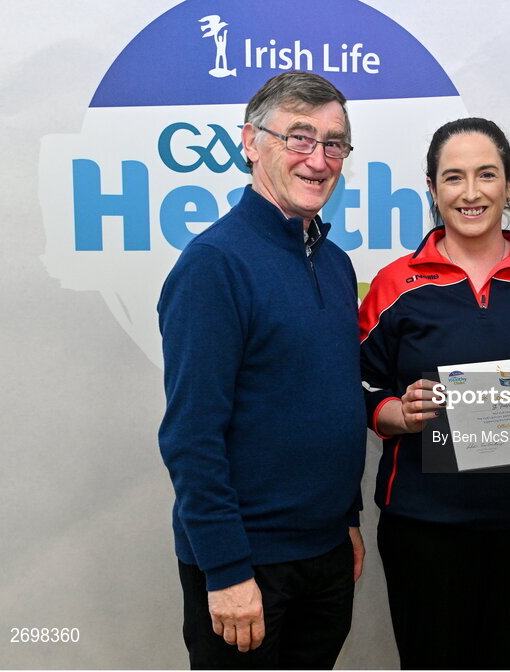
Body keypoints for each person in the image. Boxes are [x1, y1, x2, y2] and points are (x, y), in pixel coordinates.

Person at [359, 117, 510, 669]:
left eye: (486, 175)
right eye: (453, 177)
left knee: (494, 659)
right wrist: (396, 412)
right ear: (433, 190)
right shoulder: (396, 282)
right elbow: (359, 383)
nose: (470, 192)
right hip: (423, 520)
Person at [157, 71, 366, 670]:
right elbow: (191, 437)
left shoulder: (333, 263)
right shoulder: (213, 265)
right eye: (299, 138)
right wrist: (224, 571)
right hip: (246, 569)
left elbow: (330, 402)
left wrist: (345, 519)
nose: (318, 160)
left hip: (325, 554)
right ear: (251, 142)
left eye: (334, 144)